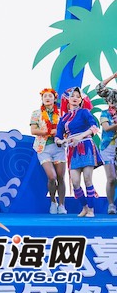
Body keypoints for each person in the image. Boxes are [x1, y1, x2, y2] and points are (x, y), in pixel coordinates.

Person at [55, 87, 102, 217]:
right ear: (68, 99)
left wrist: (80, 136)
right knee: (75, 182)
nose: (75, 98)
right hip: (72, 150)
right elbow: (58, 136)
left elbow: (94, 127)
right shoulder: (63, 118)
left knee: (87, 179)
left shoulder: (84, 112)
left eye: (78, 96)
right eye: (72, 96)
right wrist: (61, 141)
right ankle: (85, 207)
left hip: (86, 146)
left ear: (81, 100)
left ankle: (91, 209)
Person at [30, 88, 67, 214]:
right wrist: (46, 132)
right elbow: (33, 130)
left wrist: (59, 133)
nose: (47, 98)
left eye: (50, 96)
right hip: (43, 148)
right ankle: (53, 201)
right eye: (45, 96)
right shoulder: (36, 113)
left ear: (55, 99)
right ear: (42, 98)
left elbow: (67, 129)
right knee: (52, 177)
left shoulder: (62, 113)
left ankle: (61, 205)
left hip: (59, 147)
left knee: (61, 177)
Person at [96, 73, 117, 214]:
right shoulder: (106, 113)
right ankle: (111, 205)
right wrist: (113, 76)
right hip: (108, 147)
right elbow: (99, 88)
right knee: (111, 178)